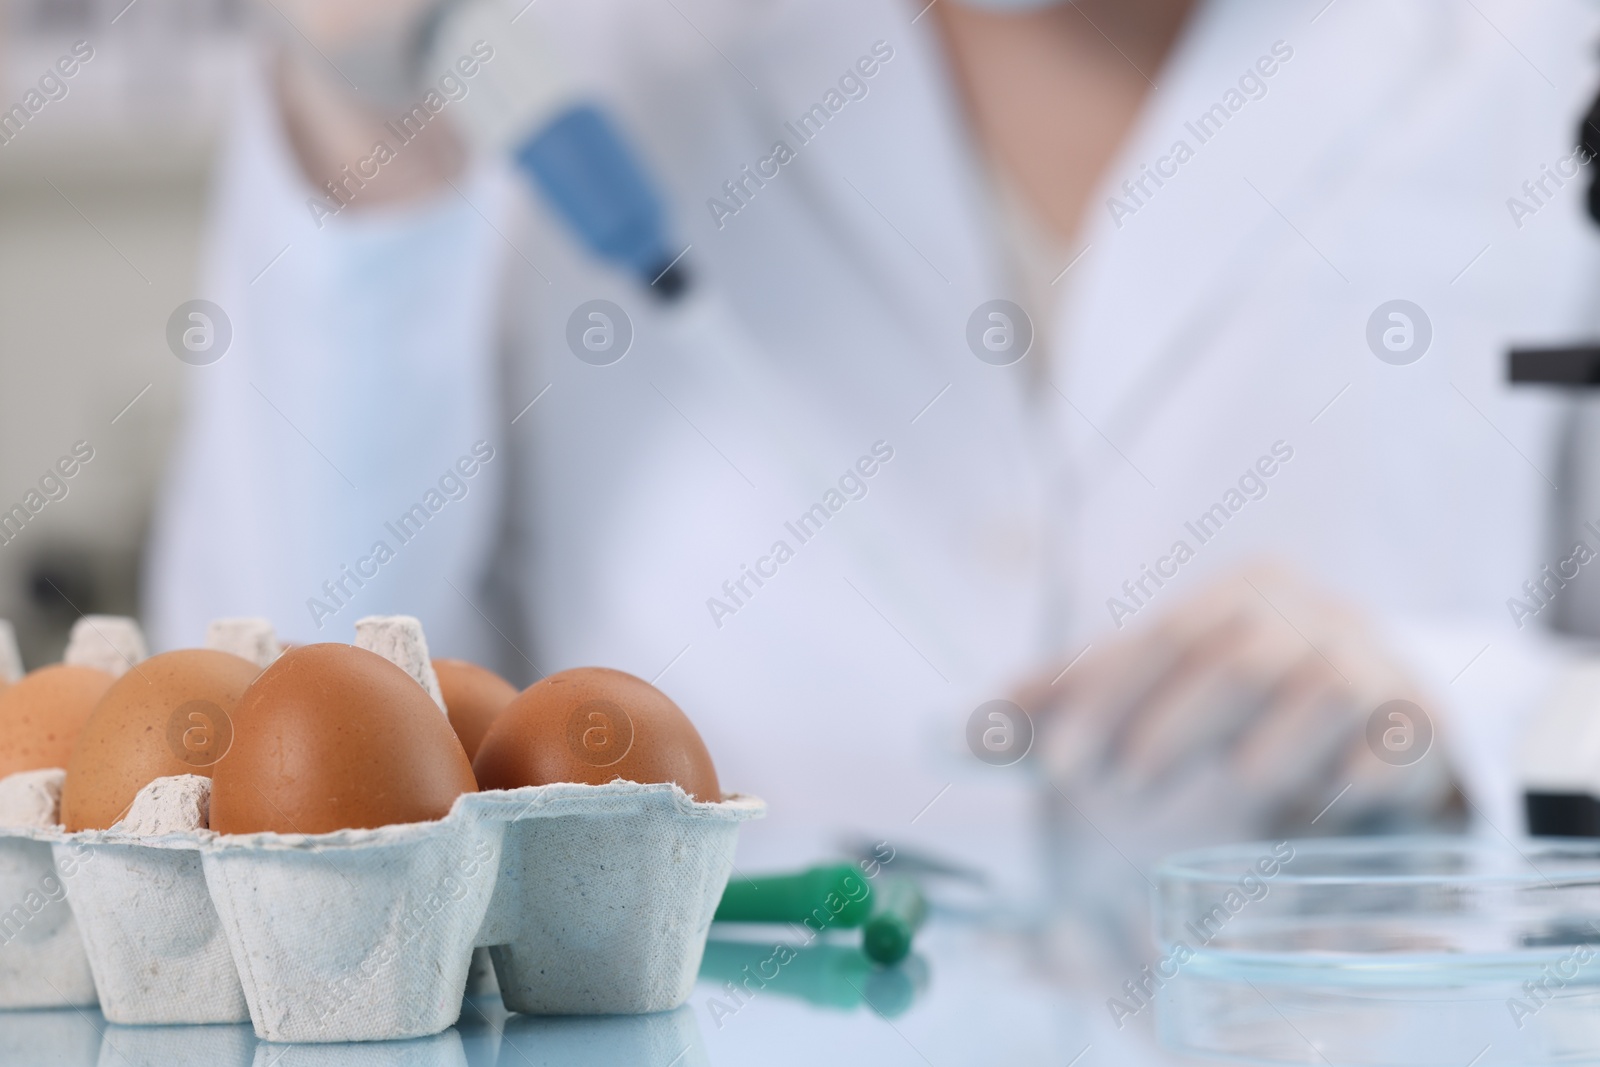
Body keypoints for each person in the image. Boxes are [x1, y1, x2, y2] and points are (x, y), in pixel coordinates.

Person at [148, 0, 1600, 863]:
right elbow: (275, 754)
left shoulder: (1531, 49)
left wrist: (1451, 709)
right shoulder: (565, 42)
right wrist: (362, 148)